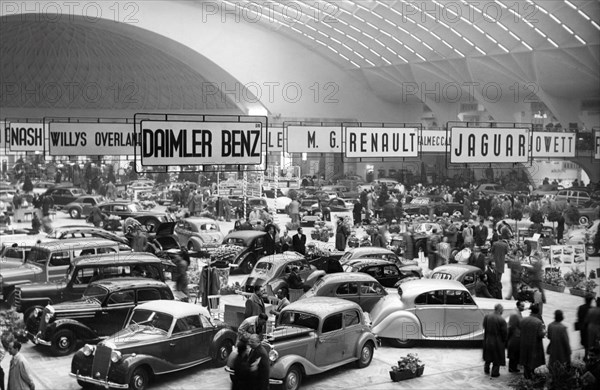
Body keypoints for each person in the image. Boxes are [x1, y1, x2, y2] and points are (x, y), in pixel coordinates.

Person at [520, 303, 546, 379]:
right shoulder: (538, 322)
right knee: (533, 361)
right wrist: (544, 332)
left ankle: (526, 376)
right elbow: (540, 334)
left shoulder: (524, 320)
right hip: (534, 344)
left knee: (525, 360)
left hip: (524, 343)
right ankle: (531, 376)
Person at [482, 304, 507, 378]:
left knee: (488, 356)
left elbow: (484, 326)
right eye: (502, 309)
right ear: (500, 310)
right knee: (497, 358)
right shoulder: (502, 320)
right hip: (497, 341)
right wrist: (504, 341)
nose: (503, 311)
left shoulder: (487, 316)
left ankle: (486, 369)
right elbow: (504, 333)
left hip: (487, 339)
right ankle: (495, 372)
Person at [507, 300, 525, 373]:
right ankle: (512, 368)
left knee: (515, 353)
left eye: (523, 306)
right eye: (522, 306)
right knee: (514, 353)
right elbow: (512, 326)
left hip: (517, 335)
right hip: (515, 336)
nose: (523, 308)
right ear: (518, 306)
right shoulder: (515, 314)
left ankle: (513, 367)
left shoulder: (517, 312)